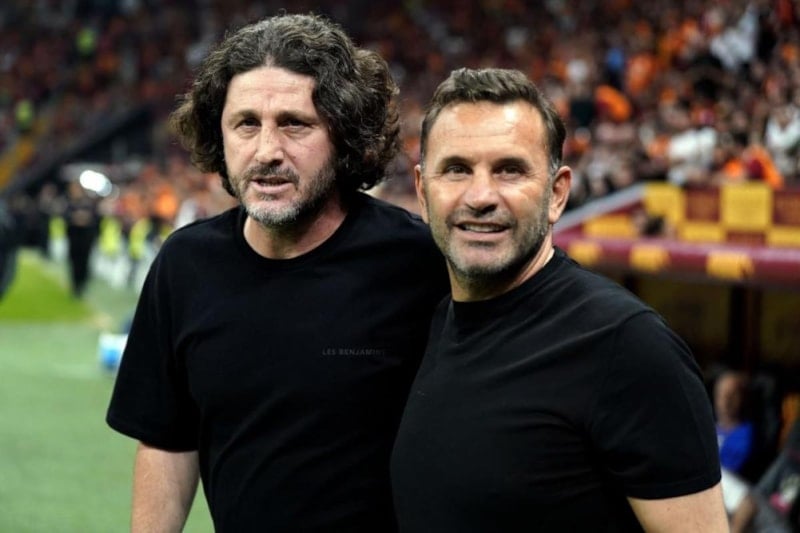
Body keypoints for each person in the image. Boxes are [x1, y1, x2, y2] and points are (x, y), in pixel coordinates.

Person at [106, 13, 447, 532]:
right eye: (246, 124)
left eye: (294, 124)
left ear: (343, 133)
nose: (267, 151)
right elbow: (167, 442)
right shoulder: (184, 266)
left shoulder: (419, 262)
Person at [390, 67, 729, 532]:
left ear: (557, 194)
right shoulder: (425, 326)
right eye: (456, 169)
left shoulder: (627, 346)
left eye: (510, 170)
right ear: (423, 192)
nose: (481, 196)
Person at [715, 370, 756, 475]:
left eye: (732, 395)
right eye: (721, 395)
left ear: (743, 398)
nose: (726, 400)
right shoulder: (707, 427)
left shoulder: (745, 436)